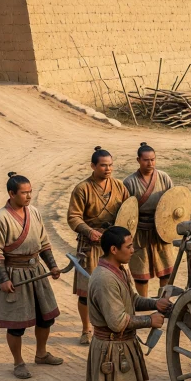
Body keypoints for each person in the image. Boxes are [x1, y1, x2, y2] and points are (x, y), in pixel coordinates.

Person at [85, 226, 171, 381]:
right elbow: (117, 321)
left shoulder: (118, 270)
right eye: (129, 246)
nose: (133, 250)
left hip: (116, 346)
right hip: (114, 349)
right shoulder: (104, 279)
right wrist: (149, 321)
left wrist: (154, 303)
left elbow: (132, 300)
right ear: (114, 249)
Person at [0, 172, 64, 379]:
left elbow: (44, 242)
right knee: (16, 325)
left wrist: (53, 266)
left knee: (46, 318)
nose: (29, 196)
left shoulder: (35, 213)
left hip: (37, 272)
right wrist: (4, 279)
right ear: (11, 194)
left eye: (30, 192)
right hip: (15, 274)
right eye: (24, 193)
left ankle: (41, 354)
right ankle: (18, 362)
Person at [67, 146, 130, 344]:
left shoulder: (119, 186)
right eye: (103, 165)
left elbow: (129, 212)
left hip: (114, 247)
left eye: (110, 165)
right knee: (87, 291)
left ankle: (116, 323)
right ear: (93, 166)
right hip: (90, 246)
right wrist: (89, 231)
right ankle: (86, 330)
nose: (108, 169)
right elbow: (73, 217)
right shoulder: (82, 188)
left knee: (116, 287)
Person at [122, 142, 177, 297]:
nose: (150, 163)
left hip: (161, 230)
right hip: (139, 231)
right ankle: (144, 302)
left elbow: (173, 201)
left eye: (153, 159)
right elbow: (126, 210)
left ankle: (163, 301)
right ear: (138, 160)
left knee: (166, 271)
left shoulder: (164, 177)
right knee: (141, 274)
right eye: (146, 160)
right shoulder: (129, 182)